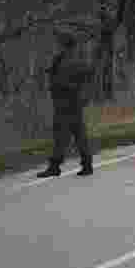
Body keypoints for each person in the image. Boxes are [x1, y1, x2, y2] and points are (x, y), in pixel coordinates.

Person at [37, 31, 95, 178]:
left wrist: (65, 84)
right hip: (71, 101)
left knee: (61, 135)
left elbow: (67, 79)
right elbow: (87, 74)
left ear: (64, 45)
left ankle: (55, 166)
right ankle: (87, 164)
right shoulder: (70, 59)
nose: (58, 46)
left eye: (60, 43)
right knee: (79, 134)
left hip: (66, 101)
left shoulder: (69, 60)